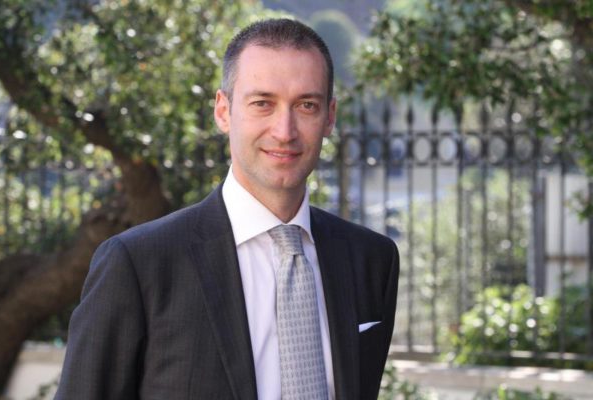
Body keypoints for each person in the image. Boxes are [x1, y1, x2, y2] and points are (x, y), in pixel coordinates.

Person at [55, 18, 399, 400]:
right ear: (223, 111)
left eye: (306, 105)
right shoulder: (139, 265)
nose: (284, 131)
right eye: (262, 104)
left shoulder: (372, 260)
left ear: (329, 116)